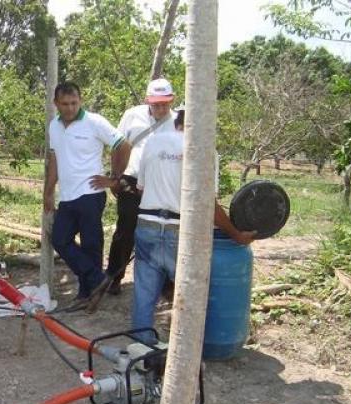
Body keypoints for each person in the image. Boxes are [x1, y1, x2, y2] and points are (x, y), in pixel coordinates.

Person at [131, 107, 256, 343]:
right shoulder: (205, 150)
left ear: (177, 123)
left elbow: (142, 188)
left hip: (147, 225)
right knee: (189, 298)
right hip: (181, 232)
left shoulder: (153, 143)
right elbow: (207, 203)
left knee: (144, 297)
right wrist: (236, 235)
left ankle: (142, 354)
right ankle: (185, 353)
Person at [44, 82, 132, 311]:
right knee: (60, 239)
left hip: (90, 194)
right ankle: (97, 279)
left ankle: (86, 293)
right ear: (56, 104)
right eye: (65, 104)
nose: (70, 108)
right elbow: (54, 159)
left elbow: (123, 145)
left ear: (80, 101)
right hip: (67, 195)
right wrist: (48, 192)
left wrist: (114, 178)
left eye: (74, 103)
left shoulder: (94, 122)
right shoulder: (54, 126)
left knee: (91, 245)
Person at [105, 78, 177, 295]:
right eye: (156, 104)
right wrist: (115, 177)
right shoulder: (131, 115)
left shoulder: (179, 121)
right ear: (148, 101)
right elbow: (118, 146)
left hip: (161, 186)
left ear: (172, 100)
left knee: (162, 232)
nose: (161, 108)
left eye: (165, 103)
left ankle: (166, 282)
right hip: (132, 182)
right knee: (125, 231)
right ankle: (113, 278)